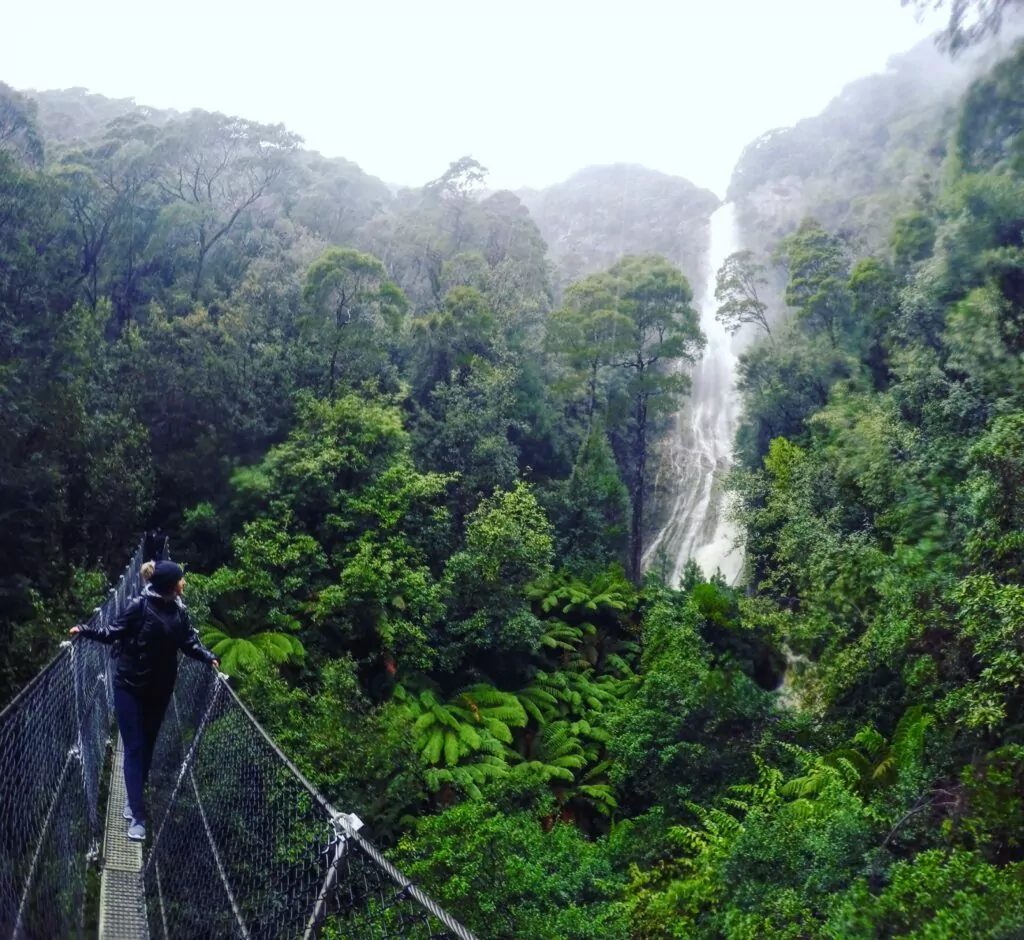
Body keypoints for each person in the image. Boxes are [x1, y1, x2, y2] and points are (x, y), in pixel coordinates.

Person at [71, 560, 219, 842]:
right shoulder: (138, 607)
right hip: (129, 686)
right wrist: (85, 630)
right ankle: (137, 815)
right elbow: (112, 633)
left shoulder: (179, 612)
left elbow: (189, 642)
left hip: (160, 690)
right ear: (170, 585)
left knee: (148, 746)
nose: (183, 583)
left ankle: (133, 795)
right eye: (180, 579)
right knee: (135, 748)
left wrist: (208, 656)